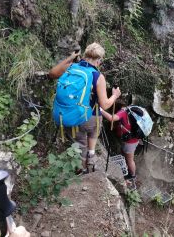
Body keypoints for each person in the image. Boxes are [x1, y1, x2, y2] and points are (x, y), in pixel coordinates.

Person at [49, 43, 121, 174]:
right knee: (94, 130)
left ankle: (81, 167)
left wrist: (70, 58)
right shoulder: (97, 76)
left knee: (79, 143)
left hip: (70, 115)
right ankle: (89, 160)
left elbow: (52, 73)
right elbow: (104, 104)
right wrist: (115, 96)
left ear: (85, 55)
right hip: (91, 118)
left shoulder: (71, 67)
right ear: (99, 60)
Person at [100, 99, 139, 189]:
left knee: (130, 160)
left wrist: (100, 110)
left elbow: (111, 118)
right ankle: (131, 174)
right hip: (135, 138)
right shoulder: (131, 109)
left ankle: (132, 177)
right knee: (129, 157)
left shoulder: (122, 112)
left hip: (130, 142)